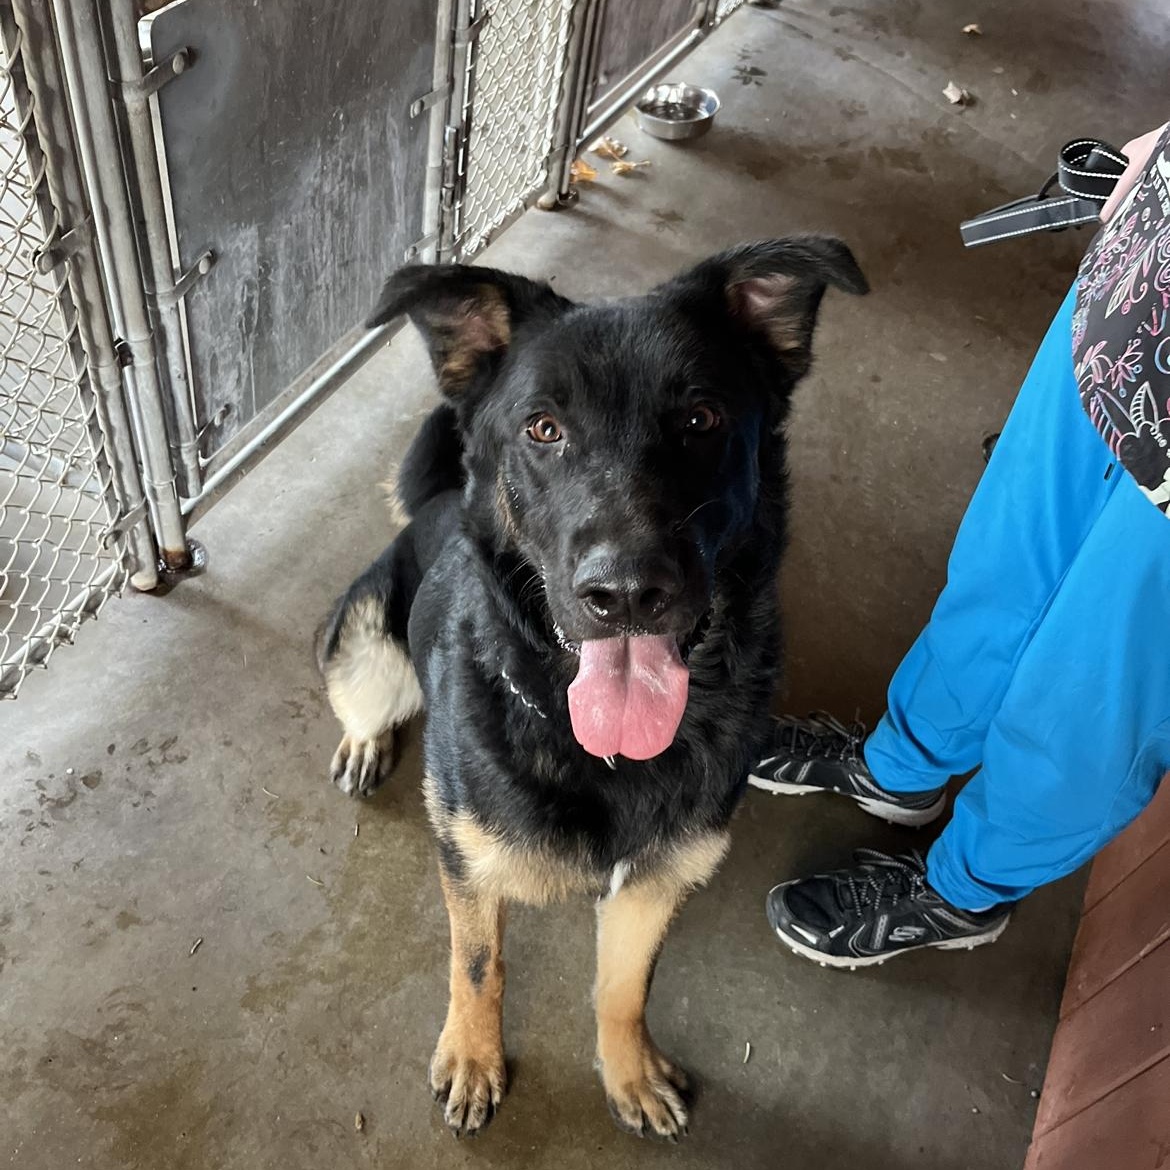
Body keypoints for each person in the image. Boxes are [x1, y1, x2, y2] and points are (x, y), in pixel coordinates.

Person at [751, 122, 1170, 968]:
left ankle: (966, 887)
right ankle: (905, 763)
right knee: (1007, 552)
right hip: (1147, 291)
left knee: (1097, 683)